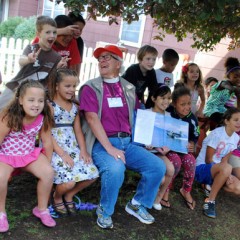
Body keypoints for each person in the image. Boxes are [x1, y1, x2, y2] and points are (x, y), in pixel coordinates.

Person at [79, 45, 166, 229]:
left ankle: (136, 204)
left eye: (107, 57)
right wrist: (110, 148)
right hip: (103, 144)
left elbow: (138, 117)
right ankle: (104, 210)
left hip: (127, 143)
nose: (102, 60)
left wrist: (149, 141)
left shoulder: (128, 88)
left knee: (157, 166)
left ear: (118, 63)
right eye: (100, 58)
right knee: (116, 169)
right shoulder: (91, 87)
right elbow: (92, 119)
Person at [0, 80, 56, 232]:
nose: (36, 104)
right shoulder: (8, 117)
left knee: (48, 173)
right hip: (6, 156)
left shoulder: (43, 118)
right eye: (31, 100)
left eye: (40, 101)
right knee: (0, 177)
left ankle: (42, 209)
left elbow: (47, 142)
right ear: (20, 100)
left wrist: (48, 163)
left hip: (28, 155)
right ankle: (1, 213)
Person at [48, 68, 98, 216]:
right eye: (67, 86)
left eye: (74, 86)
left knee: (93, 174)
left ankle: (69, 195)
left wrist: (83, 150)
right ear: (57, 86)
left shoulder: (75, 107)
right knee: (69, 181)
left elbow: (77, 131)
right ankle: (57, 197)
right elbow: (47, 133)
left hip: (72, 147)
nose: (71, 90)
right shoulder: (50, 106)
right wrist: (62, 154)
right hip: (56, 149)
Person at [0, 15, 65, 112]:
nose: (52, 35)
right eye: (48, 32)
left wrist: (58, 68)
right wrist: (28, 59)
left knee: (18, 117)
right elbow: (21, 60)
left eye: (54, 32)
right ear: (38, 34)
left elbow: (50, 79)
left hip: (33, 95)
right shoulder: (31, 48)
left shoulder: (56, 57)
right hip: (16, 88)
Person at [195, 107, 240, 218]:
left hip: (219, 170)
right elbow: (208, 160)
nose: (239, 123)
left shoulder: (235, 138)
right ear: (226, 121)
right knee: (227, 168)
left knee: (237, 188)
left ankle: (209, 184)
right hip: (201, 168)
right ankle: (210, 201)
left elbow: (224, 159)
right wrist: (226, 171)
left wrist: (228, 175)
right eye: (236, 119)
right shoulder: (217, 134)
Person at [163, 86, 199, 209]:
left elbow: (195, 136)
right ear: (174, 104)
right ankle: (166, 188)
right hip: (168, 150)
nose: (186, 107)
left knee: (191, 161)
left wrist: (192, 144)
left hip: (183, 150)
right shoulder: (168, 113)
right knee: (175, 162)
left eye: (189, 103)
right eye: (182, 104)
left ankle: (186, 190)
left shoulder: (192, 119)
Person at [146, 84, 174, 210]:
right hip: (145, 151)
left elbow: (171, 137)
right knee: (161, 176)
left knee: (171, 170)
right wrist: (145, 142)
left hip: (159, 153)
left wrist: (168, 146)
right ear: (153, 98)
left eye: (168, 98)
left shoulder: (169, 117)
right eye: (163, 98)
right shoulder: (145, 114)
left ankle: (158, 198)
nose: (166, 101)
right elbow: (140, 135)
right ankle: (149, 196)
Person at [204, 57, 240, 128]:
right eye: (235, 77)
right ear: (228, 76)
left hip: (221, 111)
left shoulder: (236, 88)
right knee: (224, 122)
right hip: (212, 109)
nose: (238, 79)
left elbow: (233, 106)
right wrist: (233, 89)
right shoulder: (223, 83)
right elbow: (228, 86)